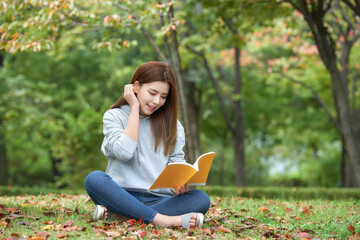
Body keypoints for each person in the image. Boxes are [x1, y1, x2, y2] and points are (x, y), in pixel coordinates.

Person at [84, 61, 211, 229]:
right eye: (152, 93)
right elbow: (124, 152)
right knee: (94, 179)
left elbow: (176, 163)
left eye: (164, 96)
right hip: (121, 195)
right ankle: (163, 220)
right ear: (135, 87)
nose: (157, 101)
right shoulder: (113, 116)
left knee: (201, 199)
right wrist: (134, 107)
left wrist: (181, 183)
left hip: (160, 198)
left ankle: (122, 216)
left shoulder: (174, 125)